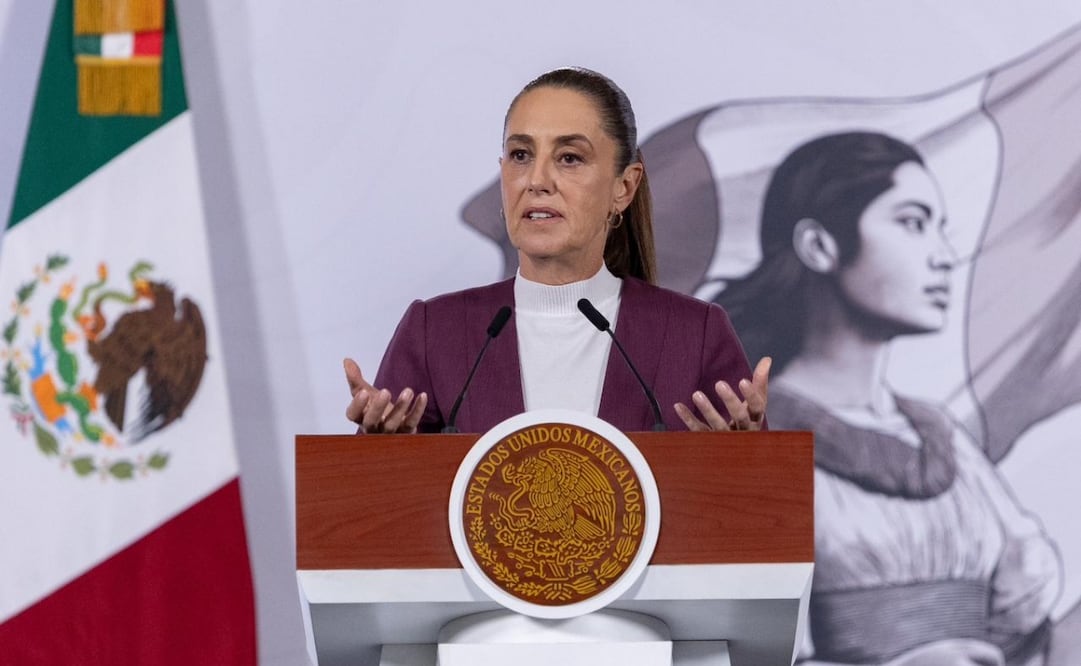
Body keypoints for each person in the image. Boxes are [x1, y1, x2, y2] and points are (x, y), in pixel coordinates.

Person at [716, 132, 1061, 666]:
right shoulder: (746, 434)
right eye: (913, 223)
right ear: (820, 246)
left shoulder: (940, 435)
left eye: (941, 229)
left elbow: (1026, 612)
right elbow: (732, 650)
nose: (945, 257)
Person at [343, 67, 770, 435]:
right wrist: (384, 447)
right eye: (521, 155)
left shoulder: (693, 336)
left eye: (569, 157)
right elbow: (380, 511)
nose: (537, 179)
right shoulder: (435, 333)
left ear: (624, 187)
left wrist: (748, 459)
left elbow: (752, 509)